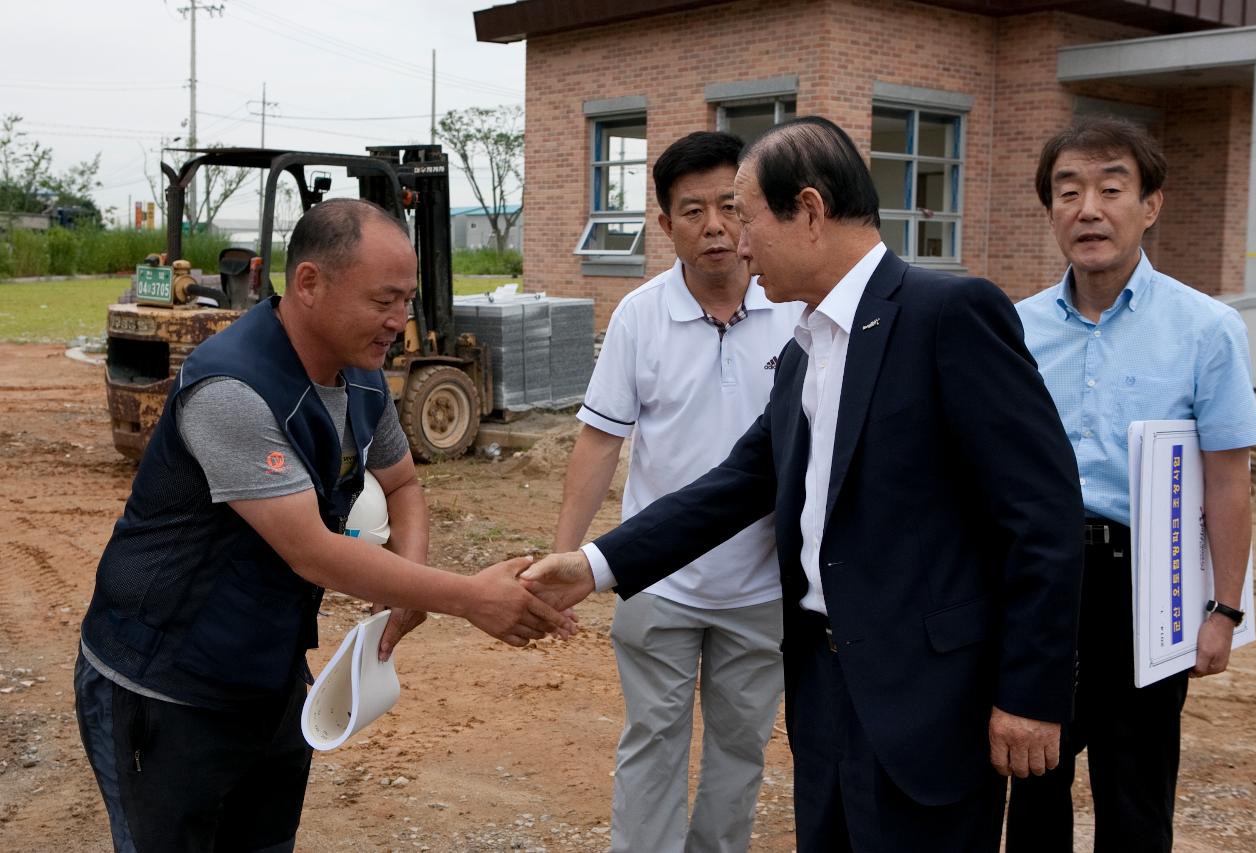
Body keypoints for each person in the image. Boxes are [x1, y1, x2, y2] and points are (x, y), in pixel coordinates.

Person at [523, 116, 1084, 852]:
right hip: (823, 683)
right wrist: (594, 564)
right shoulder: (805, 347)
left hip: (926, 696)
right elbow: (735, 486)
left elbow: (1043, 516)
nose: (737, 240)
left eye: (747, 216)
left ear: (811, 211)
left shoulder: (948, 316)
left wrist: (1030, 695)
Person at [74, 198, 567, 852]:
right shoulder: (233, 389)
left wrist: (407, 580)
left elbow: (403, 484)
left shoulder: (359, 376)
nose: (400, 321)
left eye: (407, 300)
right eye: (384, 300)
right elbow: (312, 551)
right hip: (166, 686)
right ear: (308, 284)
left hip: (270, 679)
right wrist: (470, 596)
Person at [1006, 116, 1256, 853]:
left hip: (1149, 584)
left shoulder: (1206, 328)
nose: (1088, 208)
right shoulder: (1014, 328)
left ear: (1150, 204)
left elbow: (1227, 480)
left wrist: (1221, 609)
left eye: (1111, 188)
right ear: (1051, 209)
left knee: (1137, 790)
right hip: (1039, 581)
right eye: (1068, 191)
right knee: (1033, 779)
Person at [553, 130, 804, 852]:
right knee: (652, 741)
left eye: (731, 205)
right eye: (692, 211)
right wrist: (564, 559)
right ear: (665, 225)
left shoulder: (793, 308)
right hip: (657, 582)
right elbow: (601, 439)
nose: (716, 226)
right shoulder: (639, 315)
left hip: (760, 586)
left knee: (740, 750)